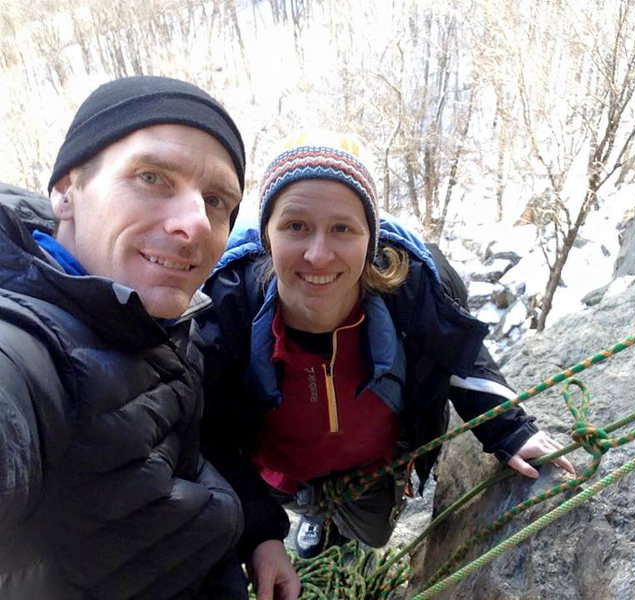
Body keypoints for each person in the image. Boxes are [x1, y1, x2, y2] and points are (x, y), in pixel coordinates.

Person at [199, 131, 575, 599]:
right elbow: (207, 430)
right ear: (267, 233)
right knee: (309, 509)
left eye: (343, 229)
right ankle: (318, 520)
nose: (318, 254)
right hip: (280, 469)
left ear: (370, 238)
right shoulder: (229, 304)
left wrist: (510, 429)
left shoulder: (408, 284)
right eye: (296, 226)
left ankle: (341, 528)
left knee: (372, 534)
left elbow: (453, 348)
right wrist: (261, 533)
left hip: (374, 463)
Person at [0, 76, 249, 599]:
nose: (196, 224)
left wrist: (262, 535)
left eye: (217, 200)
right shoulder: (30, 346)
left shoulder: (163, 322)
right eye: (152, 176)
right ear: (67, 192)